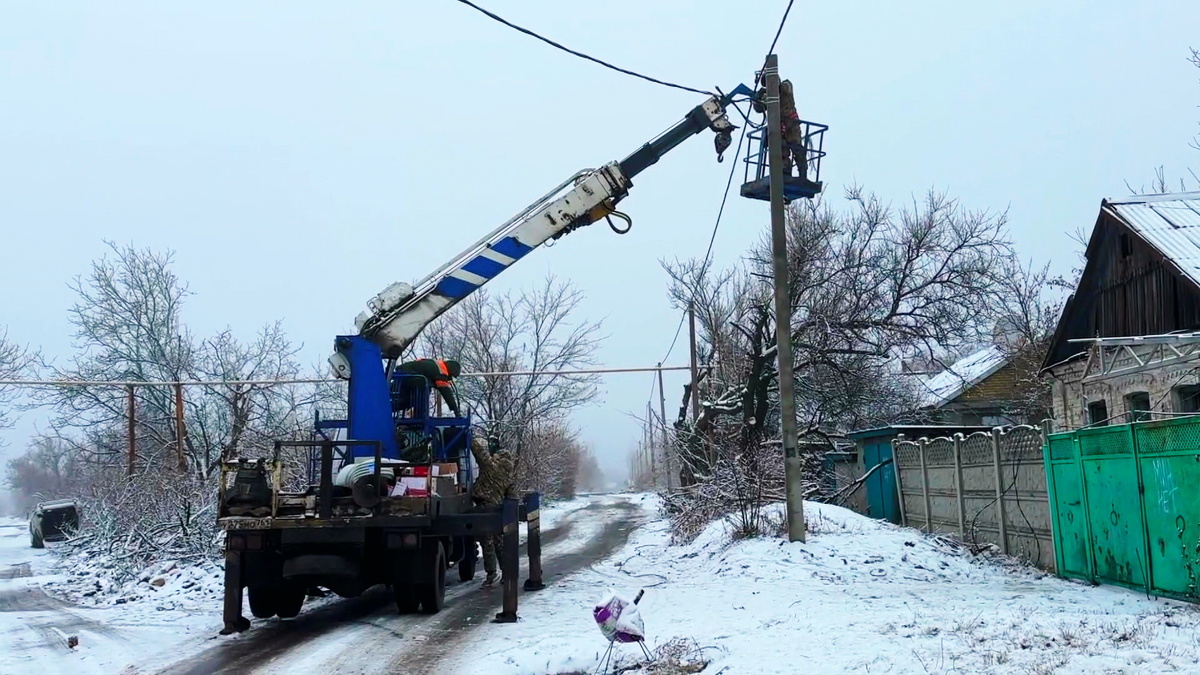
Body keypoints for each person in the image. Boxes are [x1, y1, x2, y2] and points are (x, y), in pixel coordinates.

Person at [469, 434, 516, 587]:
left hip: (484, 507)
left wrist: (470, 437)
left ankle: (491, 574)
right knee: (498, 542)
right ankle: (505, 572)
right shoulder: (508, 475)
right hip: (498, 510)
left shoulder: (491, 466)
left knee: (487, 542)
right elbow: (512, 496)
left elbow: (479, 453)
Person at [752, 78, 806, 177]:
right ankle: (785, 172)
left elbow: (786, 88)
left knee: (797, 148)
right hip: (778, 127)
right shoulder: (769, 97)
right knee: (781, 150)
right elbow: (759, 108)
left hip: (792, 124)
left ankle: (803, 173)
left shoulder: (785, 86)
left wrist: (771, 90)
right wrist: (757, 99)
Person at [396, 358, 462, 416]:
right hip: (410, 375)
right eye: (452, 376)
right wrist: (455, 410)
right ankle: (420, 415)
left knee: (406, 400)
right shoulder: (441, 372)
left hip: (402, 374)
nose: (450, 379)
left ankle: (392, 407)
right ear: (451, 371)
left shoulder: (435, 365)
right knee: (424, 388)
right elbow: (446, 393)